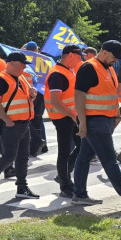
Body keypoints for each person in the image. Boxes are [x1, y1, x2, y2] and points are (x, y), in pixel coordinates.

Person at [71, 40, 121, 205]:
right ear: (104, 52)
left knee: (85, 156)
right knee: (109, 159)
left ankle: (79, 194)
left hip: (104, 120)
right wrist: (82, 122)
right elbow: (79, 95)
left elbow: (110, 95)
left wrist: (116, 116)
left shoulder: (108, 68)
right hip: (94, 121)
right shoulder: (88, 68)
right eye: (114, 57)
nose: (117, 60)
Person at [0, 52, 39, 200]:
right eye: (22, 65)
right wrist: (7, 120)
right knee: (9, 156)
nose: (24, 68)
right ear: (12, 63)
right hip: (11, 125)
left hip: (24, 123)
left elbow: (23, 99)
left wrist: (32, 95)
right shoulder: (0, 80)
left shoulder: (21, 78)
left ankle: (22, 187)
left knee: (23, 157)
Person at [46, 44, 83, 197]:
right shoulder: (57, 74)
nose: (80, 59)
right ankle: (65, 185)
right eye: (79, 56)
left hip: (71, 117)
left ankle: (64, 174)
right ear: (71, 55)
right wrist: (73, 116)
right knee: (64, 152)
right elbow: (55, 101)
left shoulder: (69, 71)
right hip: (63, 118)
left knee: (83, 146)